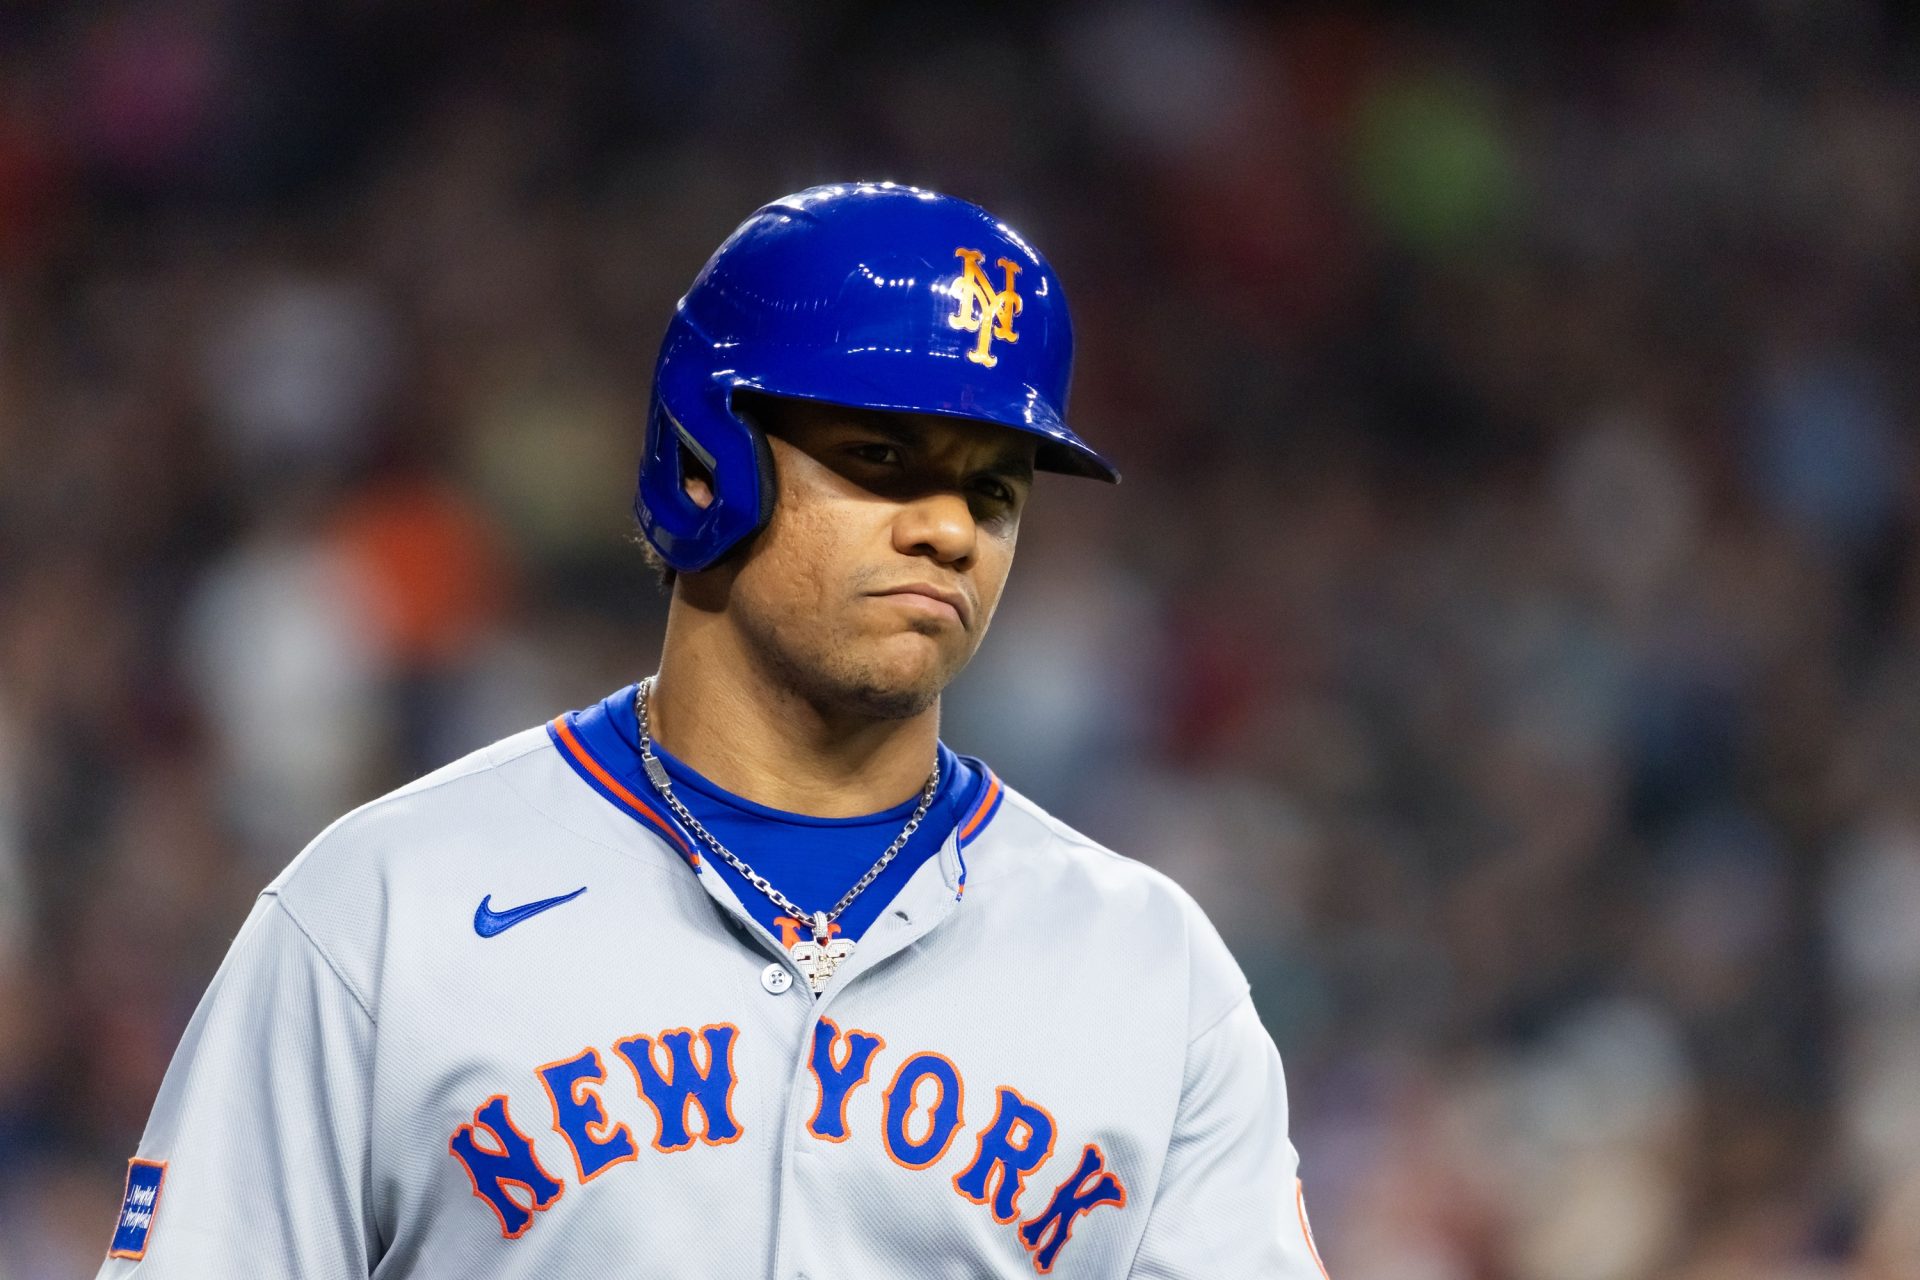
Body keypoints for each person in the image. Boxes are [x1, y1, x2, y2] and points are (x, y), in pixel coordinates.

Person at [99, 183, 1330, 1277]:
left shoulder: (1149, 972)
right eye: (886, 457)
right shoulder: (385, 908)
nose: (951, 530)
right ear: (706, 461)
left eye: (993, 489)